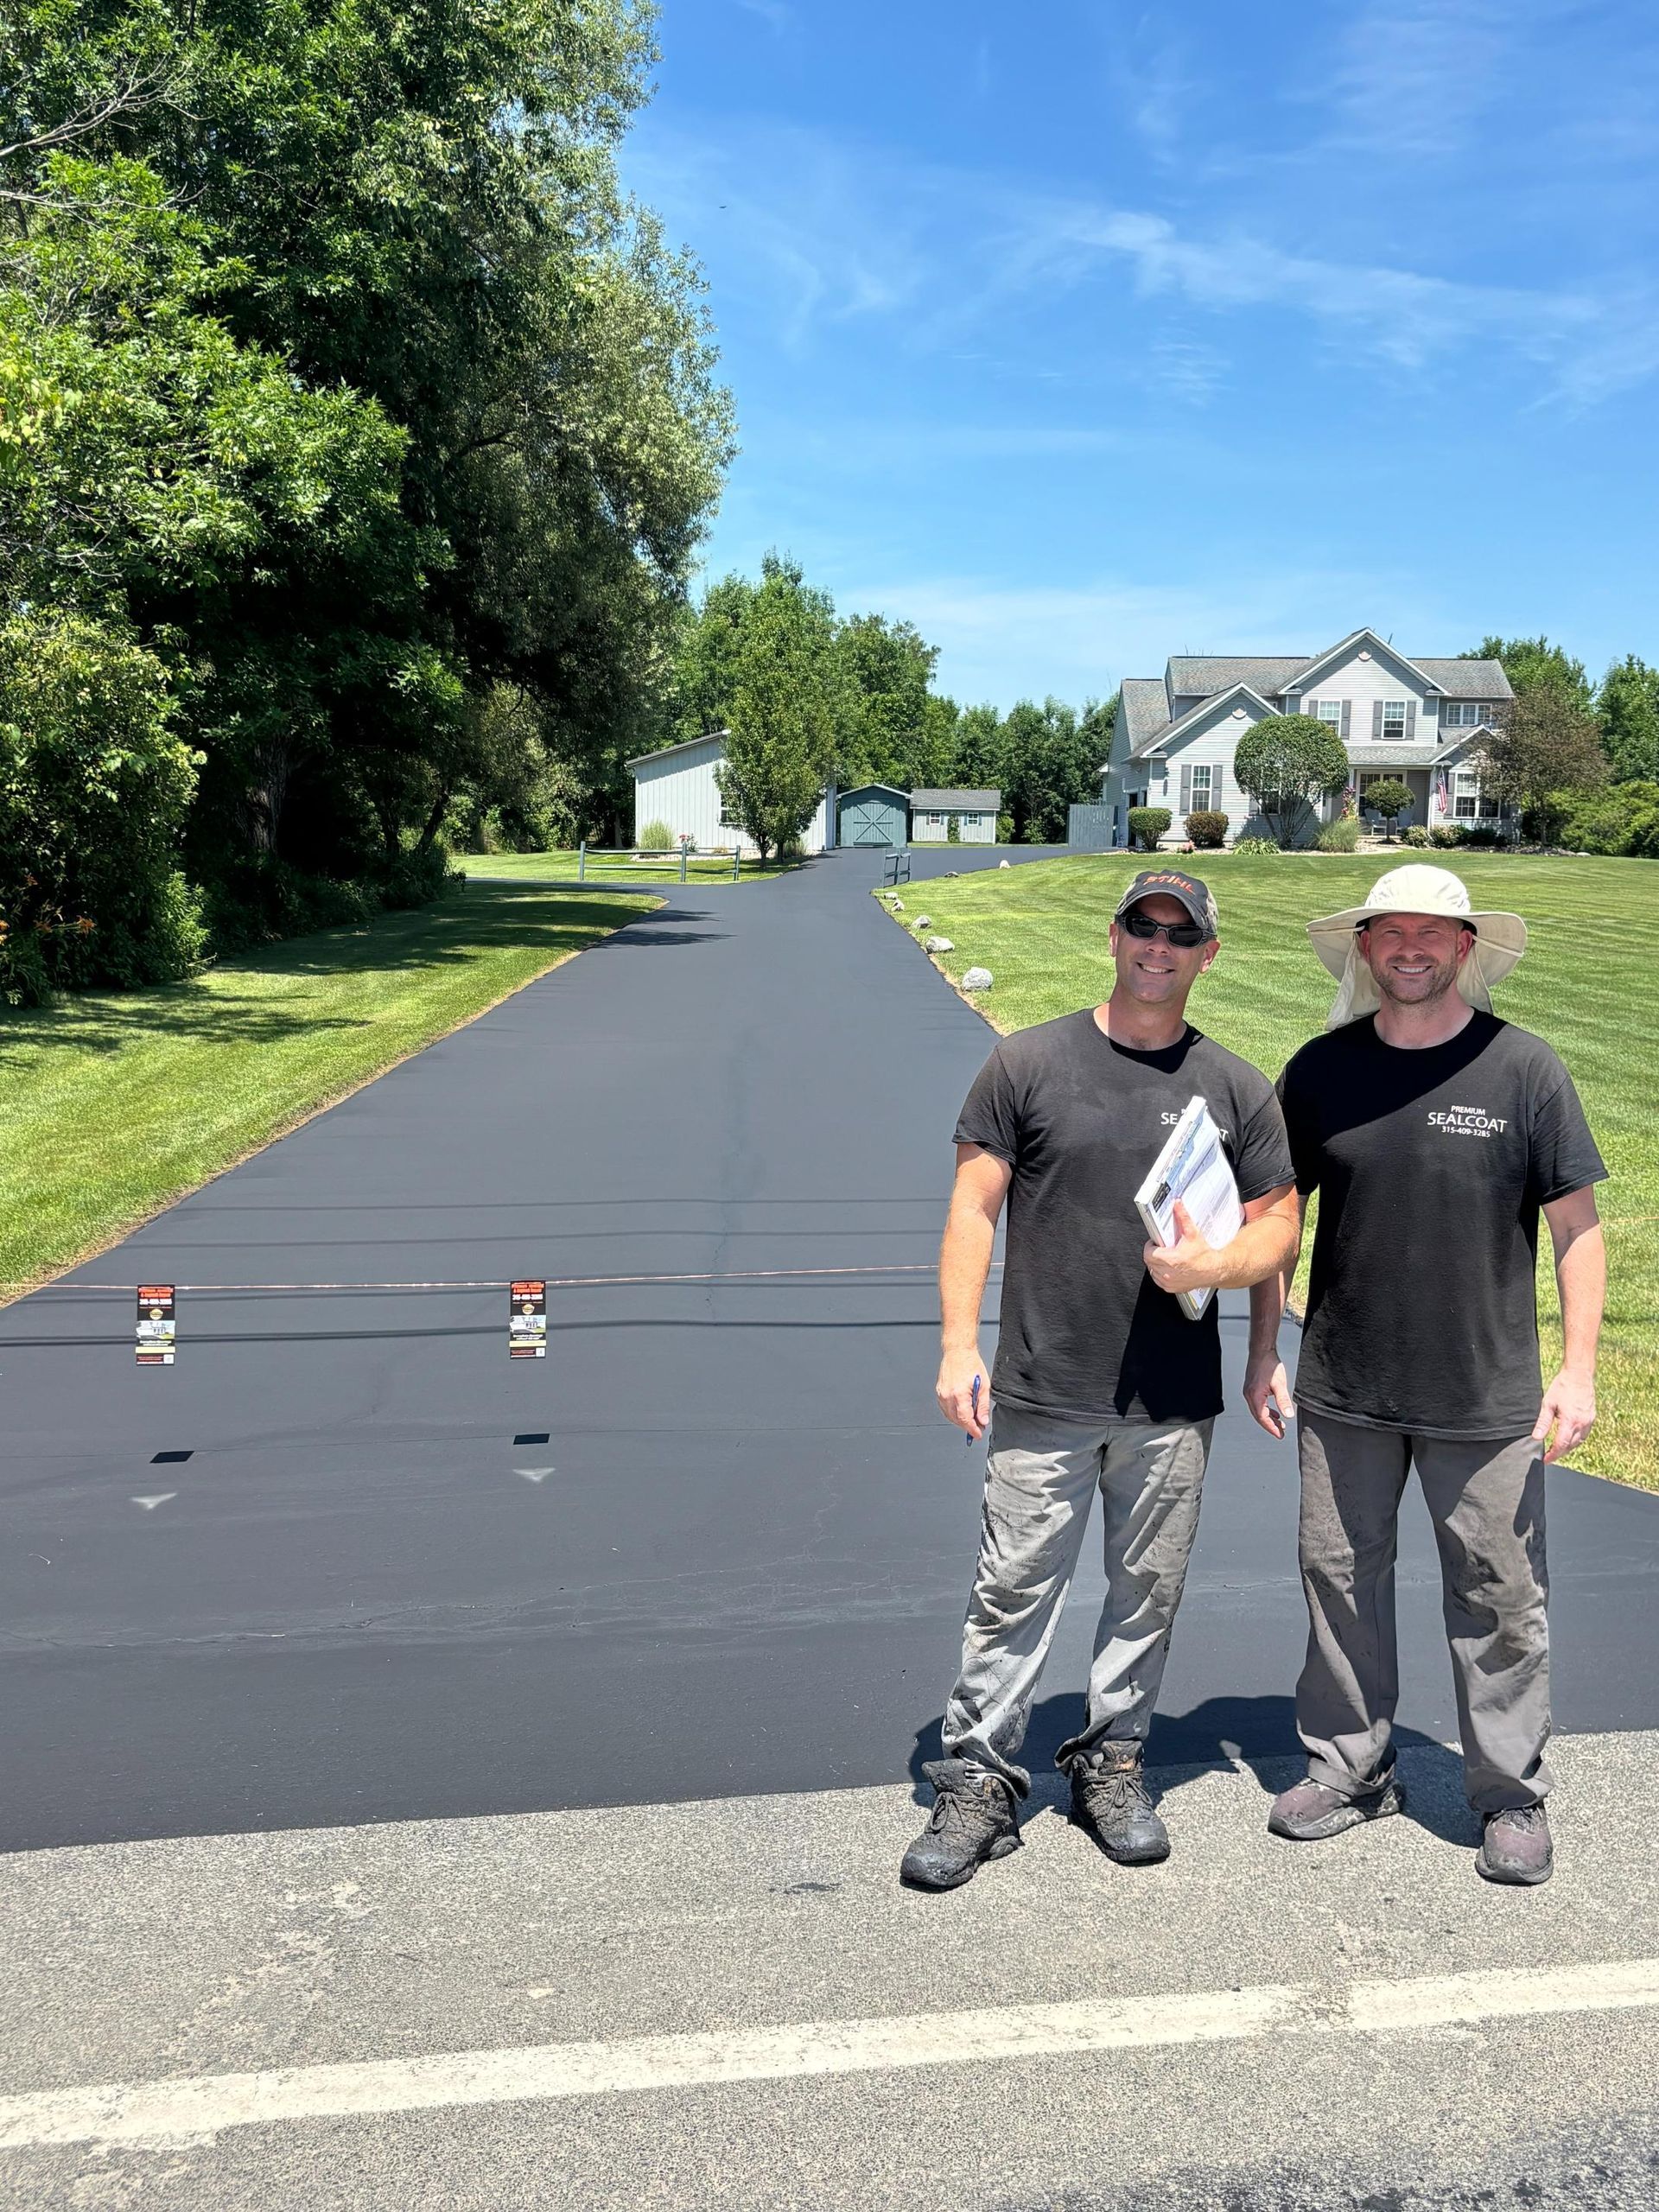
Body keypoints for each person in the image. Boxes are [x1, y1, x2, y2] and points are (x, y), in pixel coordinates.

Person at [901, 868, 1300, 1891]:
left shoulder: (1237, 1087)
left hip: (1171, 1403)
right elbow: (971, 1209)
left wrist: (1247, 1327)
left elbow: (1279, 1226)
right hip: (1045, 1385)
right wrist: (958, 1343)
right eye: (1142, 925)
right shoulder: (1027, 1063)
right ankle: (982, 1779)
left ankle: (1111, 1763)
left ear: (1209, 954)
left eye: (1180, 933)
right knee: (1013, 1591)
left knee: (1145, 1593)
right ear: (1112, 934)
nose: (1157, 945)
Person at [1245, 864, 1606, 1888]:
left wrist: (1575, 1373)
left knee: (1497, 1596)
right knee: (1340, 1580)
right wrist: (1265, 1348)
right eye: (1389, 931)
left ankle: (1509, 1795)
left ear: (1464, 947)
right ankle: (1352, 1767)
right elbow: (1278, 1223)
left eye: (1431, 932)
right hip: (1344, 1386)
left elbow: (1579, 1232)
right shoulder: (1319, 1071)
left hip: (1484, 1393)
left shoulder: (1524, 1071)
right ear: (1365, 948)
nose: (1409, 947)